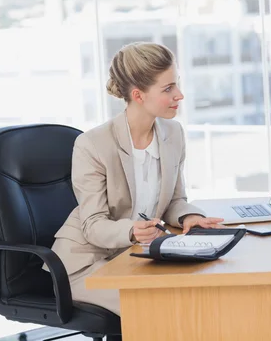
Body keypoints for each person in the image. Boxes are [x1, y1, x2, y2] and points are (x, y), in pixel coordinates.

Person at [46, 42, 224, 316]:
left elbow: (175, 200)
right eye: (168, 89)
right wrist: (131, 231)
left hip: (135, 257)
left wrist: (189, 217)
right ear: (139, 95)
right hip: (85, 263)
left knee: (202, 294)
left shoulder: (173, 134)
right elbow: (92, 225)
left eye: (176, 84)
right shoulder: (92, 144)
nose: (179, 95)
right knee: (160, 309)